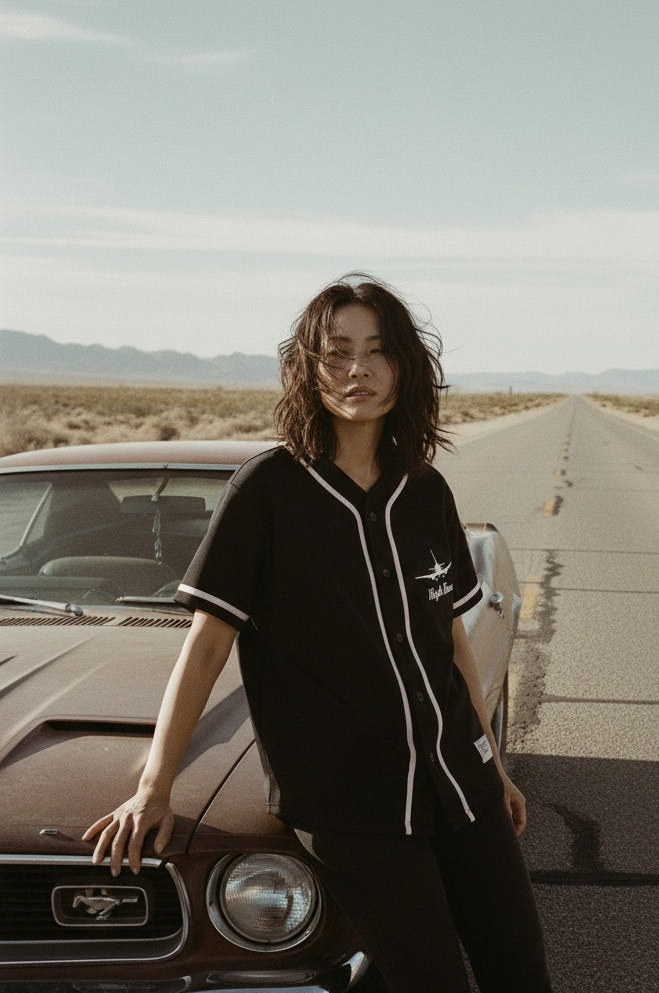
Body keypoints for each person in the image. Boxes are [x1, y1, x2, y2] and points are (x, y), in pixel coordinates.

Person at [84, 274, 552, 992]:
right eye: (336, 353)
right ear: (309, 367)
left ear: (404, 367)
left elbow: (448, 638)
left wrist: (490, 766)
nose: (356, 370)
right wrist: (153, 787)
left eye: (376, 351)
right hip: (351, 804)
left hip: (460, 780)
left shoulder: (424, 490)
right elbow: (207, 647)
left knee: (520, 971)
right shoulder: (267, 490)